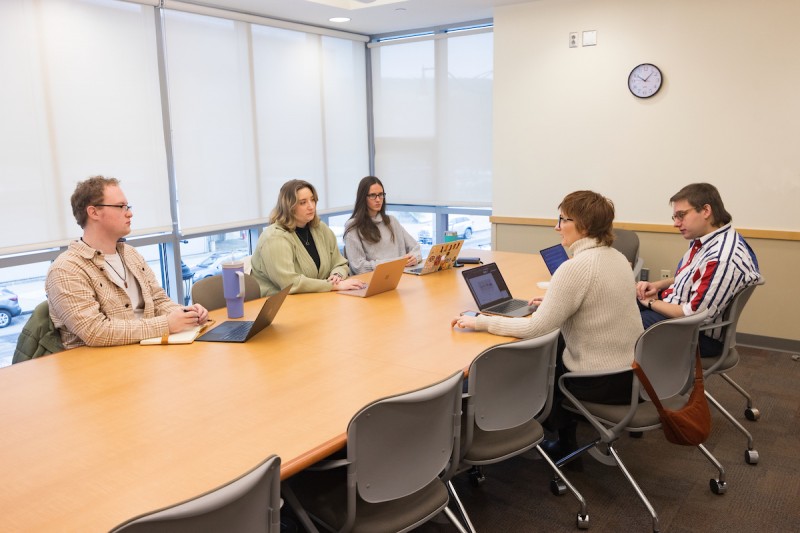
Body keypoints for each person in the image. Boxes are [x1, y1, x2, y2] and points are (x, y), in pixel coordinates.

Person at [452, 191, 643, 456]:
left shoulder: (575, 267)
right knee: (556, 346)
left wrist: (482, 322)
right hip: (632, 374)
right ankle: (561, 439)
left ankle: (556, 442)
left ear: (584, 226)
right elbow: (595, 301)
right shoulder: (618, 258)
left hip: (600, 381)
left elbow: (534, 329)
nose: (557, 227)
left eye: (563, 220)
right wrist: (555, 301)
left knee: (543, 363)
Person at [46, 176, 208, 349]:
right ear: (93, 212)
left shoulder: (130, 254)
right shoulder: (66, 269)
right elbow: (95, 332)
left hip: (145, 352)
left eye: (128, 207)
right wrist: (166, 324)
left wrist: (186, 314)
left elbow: (158, 300)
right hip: (100, 366)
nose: (129, 213)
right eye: (120, 206)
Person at [635, 182, 761, 357]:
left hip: (696, 334)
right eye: (675, 217)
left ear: (706, 211)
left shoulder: (721, 257)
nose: (676, 224)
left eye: (681, 215)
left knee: (622, 327)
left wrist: (651, 303)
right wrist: (658, 285)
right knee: (619, 305)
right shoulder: (708, 239)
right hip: (678, 314)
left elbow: (692, 314)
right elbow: (696, 277)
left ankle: (628, 381)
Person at [250, 179, 366, 296]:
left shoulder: (320, 228)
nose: (311, 206)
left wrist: (337, 276)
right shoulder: (274, 238)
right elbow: (290, 283)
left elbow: (340, 263)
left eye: (312, 200)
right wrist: (332, 285)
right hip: (282, 304)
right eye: (303, 202)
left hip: (317, 298)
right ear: (289, 206)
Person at [343, 176, 422, 274]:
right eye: (373, 195)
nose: (378, 199)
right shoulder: (353, 227)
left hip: (402, 276)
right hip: (374, 281)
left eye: (381, 195)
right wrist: (397, 262)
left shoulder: (392, 221)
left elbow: (415, 248)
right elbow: (359, 267)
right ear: (363, 198)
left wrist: (415, 258)